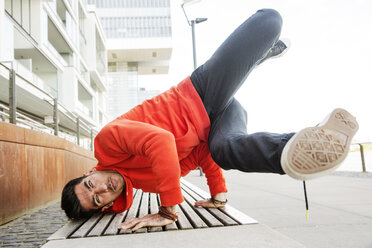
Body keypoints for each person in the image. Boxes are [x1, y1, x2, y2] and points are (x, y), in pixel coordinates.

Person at [61, 9, 358, 231]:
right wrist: (218, 194)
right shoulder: (148, 183)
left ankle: (256, 57)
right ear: (110, 205)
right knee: (223, 150)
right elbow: (202, 153)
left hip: (200, 93)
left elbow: (160, 140)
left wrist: (167, 209)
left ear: (89, 172)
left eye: (90, 186)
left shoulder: (107, 142)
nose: (102, 190)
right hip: (222, 118)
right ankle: (294, 148)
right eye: (99, 199)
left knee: (269, 21)